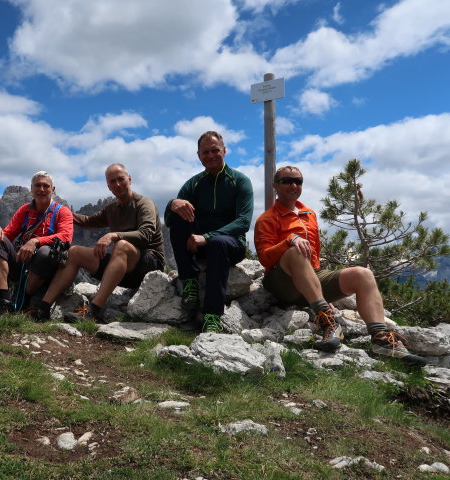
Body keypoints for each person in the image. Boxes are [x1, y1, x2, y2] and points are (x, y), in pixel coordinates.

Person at [254, 165, 426, 365]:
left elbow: (315, 255)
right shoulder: (266, 219)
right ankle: (327, 320)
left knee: (363, 274)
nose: (293, 185)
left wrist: (317, 282)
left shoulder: (308, 213)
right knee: (295, 251)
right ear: (275, 185)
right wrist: (289, 240)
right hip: (283, 284)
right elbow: (265, 258)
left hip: (309, 278)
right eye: (286, 181)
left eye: (298, 181)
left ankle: (381, 340)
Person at [32, 163, 165, 322]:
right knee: (74, 252)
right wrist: (59, 209)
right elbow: (88, 221)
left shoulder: (144, 203)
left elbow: (146, 234)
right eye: (112, 181)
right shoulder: (112, 209)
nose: (117, 184)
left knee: (121, 245)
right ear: (108, 186)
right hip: (122, 266)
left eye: (121, 179)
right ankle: (44, 308)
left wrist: (114, 235)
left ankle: (92, 311)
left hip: (149, 266)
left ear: (129, 179)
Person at [164, 131, 254, 333]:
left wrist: (207, 237)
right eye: (206, 152)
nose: (211, 155)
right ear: (199, 156)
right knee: (179, 214)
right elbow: (170, 221)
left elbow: (243, 221)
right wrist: (172, 204)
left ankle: (212, 315)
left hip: (231, 245)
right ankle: (189, 281)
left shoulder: (240, 181)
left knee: (218, 242)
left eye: (215, 150)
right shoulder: (194, 183)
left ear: (224, 151)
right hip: (199, 245)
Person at [0, 171, 73, 315]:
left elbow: (66, 237)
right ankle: (5, 302)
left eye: (46, 186)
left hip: (47, 265)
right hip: (22, 260)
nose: (42, 189)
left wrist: (36, 241)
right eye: (38, 185)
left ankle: (24, 300)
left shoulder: (62, 212)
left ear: (53, 189)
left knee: (45, 252)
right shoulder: (24, 211)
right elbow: (8, 234)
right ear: (31, 188)